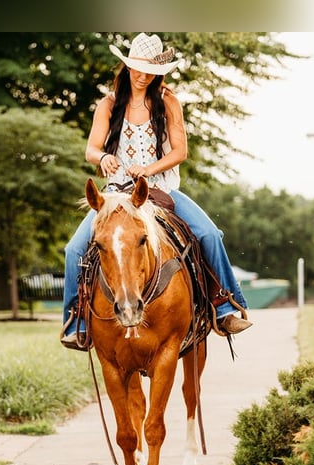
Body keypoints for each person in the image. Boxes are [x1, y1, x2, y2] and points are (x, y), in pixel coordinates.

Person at [61, 33, 251, 350]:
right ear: (126, 67)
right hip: (116, 195)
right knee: (73, 250)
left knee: (209, 233)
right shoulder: (108, 105)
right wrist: (105, 157)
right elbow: (91, 149)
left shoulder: (168, 101)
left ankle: (225, 306)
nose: (142, 75)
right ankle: (77, 321)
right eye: (137, 68)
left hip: (161, 189)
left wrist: (149, 170)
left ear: (157, 73)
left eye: (149, 70)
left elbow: (180, 152)